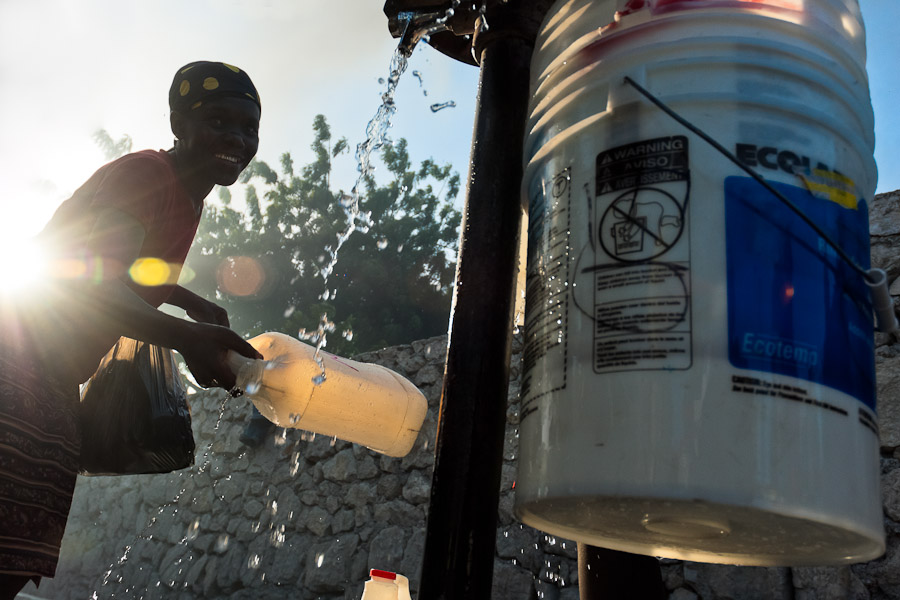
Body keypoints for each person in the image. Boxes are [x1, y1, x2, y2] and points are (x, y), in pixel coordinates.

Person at [0, 61, 265, 599]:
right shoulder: (147, 175)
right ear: (178, 123)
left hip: (46, 379)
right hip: (16, 367)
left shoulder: (188, 192)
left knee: (16, 548)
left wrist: (187, 301)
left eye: (248, 129)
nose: (236, 139)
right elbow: (89, 284)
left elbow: (126, 270)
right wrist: (189, 339)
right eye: (219, 122)